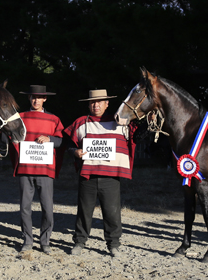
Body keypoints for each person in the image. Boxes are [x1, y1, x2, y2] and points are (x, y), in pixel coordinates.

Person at [63, 89, 136, 257]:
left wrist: (150, 120)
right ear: (89, 104)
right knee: (84, 211)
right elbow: (69, 145)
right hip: (88, 176)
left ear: (107, 104)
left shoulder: (120, 122)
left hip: (111, 176)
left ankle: (113, 244)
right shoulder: (81, 122)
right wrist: (75, 152)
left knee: (112, 212)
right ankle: (80, 242)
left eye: (99, 102)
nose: (95, 105)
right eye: (92, 102)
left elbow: (136, 136)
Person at [10, 85, 64, 254]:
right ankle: (27, 240)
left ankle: (45, 241)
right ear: (29, 98)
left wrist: (50, 139)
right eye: (33, 97)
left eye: (39, 97)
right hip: (25, 168)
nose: (36, 100)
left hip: (45, 170)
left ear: (45, 99)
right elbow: (11, 135)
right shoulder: (20, 117)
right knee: (25, 206)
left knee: (47, 207)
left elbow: (61, 141)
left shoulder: (54, 119)